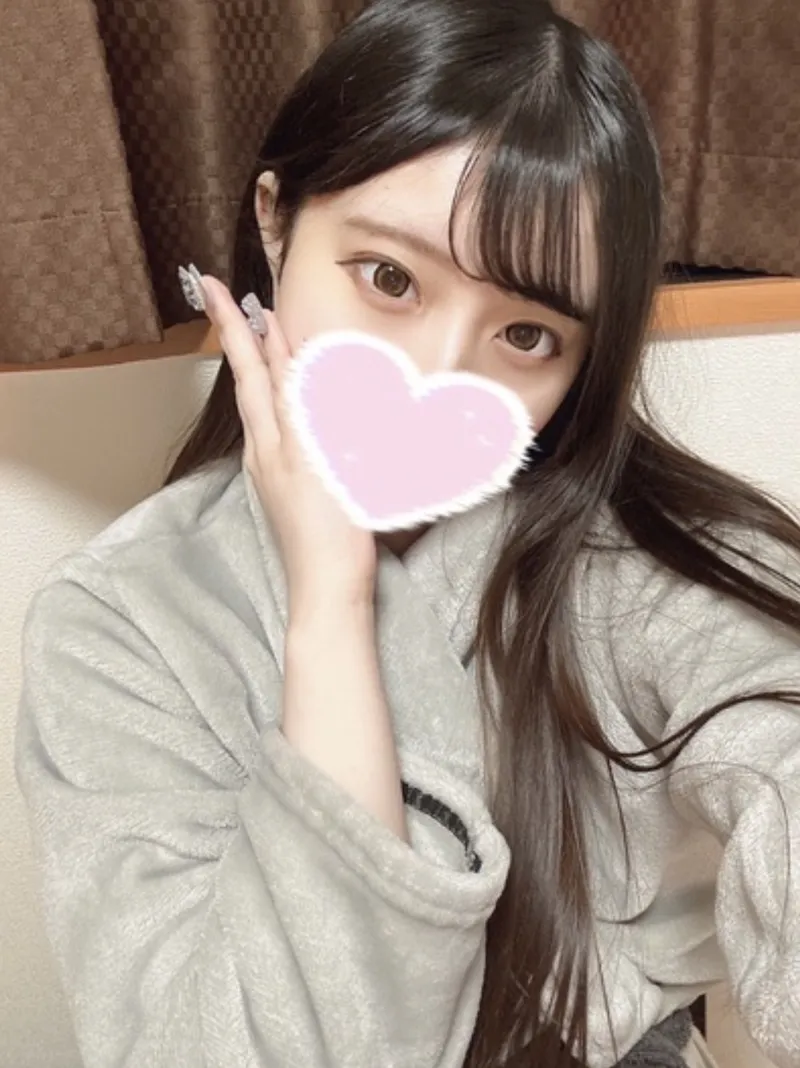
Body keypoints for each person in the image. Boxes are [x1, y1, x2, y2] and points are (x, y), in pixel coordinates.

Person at [14, 0, 800, 1066]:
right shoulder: (122, 620)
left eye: (525, 333)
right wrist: (331, 607)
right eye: (389, 278)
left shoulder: (643, 566)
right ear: (276, 222)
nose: (437, 375)